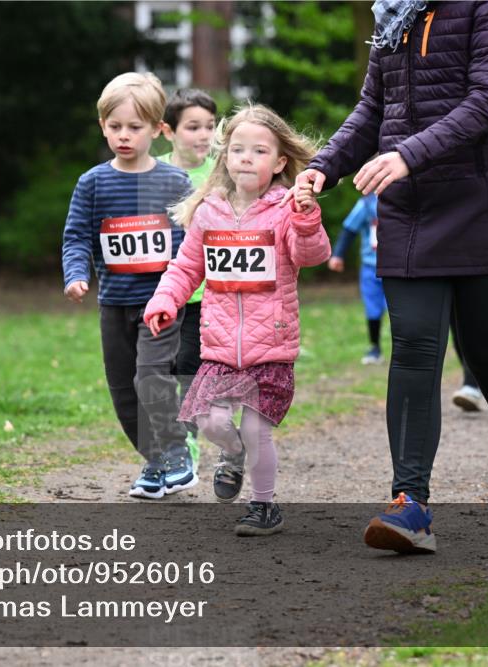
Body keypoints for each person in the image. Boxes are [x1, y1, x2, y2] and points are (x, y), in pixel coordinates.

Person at [285, 0, 488, 551]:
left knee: (484, 347)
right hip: (411, 209)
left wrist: (407, 154)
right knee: (412, 346)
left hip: (487, 202)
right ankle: (411, 503)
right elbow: (372, 108)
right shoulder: (396, 10)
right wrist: (323, 166)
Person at [144, 105, 331, 535]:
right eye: (239, 149)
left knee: (256, 428)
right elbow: (185, 267)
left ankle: (263, 506)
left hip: (272, 343)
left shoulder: (286, 209)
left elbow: (313, 255)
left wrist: (305, 218)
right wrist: (164, 301)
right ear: (225, 156)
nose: (247, 157)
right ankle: (231, 455)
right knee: (210, 421)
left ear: (280, 161)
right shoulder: (209, 212)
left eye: (259, 150)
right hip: (220, 344)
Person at [62, 72, 195, 499]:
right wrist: (77, 273)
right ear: (102, 125)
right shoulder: (93, 182)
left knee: (151, 378)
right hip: (113, 304)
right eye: (114, 126)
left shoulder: (175, 182)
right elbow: (77, 236)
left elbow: (196, 235)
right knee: (123, 390)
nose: (123, 135)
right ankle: (155, 461)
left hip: (161, 302)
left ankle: (177, 452)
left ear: (157, 130)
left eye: (134, 127)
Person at [158, 88, 218, 468]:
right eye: (193, 126)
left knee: (188, 370)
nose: (203, 135)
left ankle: (187, 444)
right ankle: (165, 441)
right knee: (155, 373)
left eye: (210, 126)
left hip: (204, 295)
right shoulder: (153, 171)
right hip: (158, 293)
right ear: (168, 131)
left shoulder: (220, 174)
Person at [327, 193, 388, 365]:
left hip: (399, 267)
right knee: (372, 308)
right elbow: (349, 229)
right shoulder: (368, 204)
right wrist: (338, 254)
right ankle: (375, 347)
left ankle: (405, 350)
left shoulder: (406, 197)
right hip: (371, 265)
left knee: (401, 310)